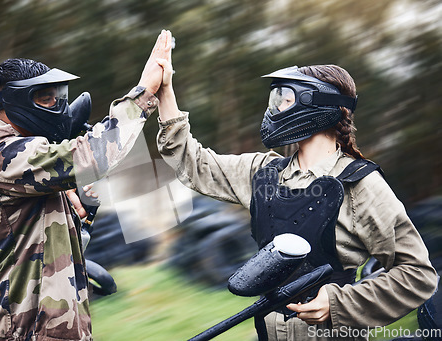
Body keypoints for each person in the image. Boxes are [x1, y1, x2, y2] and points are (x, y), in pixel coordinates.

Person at [154, 49, 438, 339]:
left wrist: (339, 303)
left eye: (284, 99)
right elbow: (193, 163)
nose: (274, 109)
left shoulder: (361, 185)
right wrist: (165, 91)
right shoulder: (262, 172)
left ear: (315, 104)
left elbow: (418, 275)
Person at [0, 30, 173, 341]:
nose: (56, 106)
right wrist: (146, 91)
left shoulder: (28, 157)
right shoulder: (4, 156)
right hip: (25, 332)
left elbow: (37, 238)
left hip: (54, 327)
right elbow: (95, 152)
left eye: (57, 96)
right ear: (15, 100)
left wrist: (80, 215)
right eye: (45, 98)